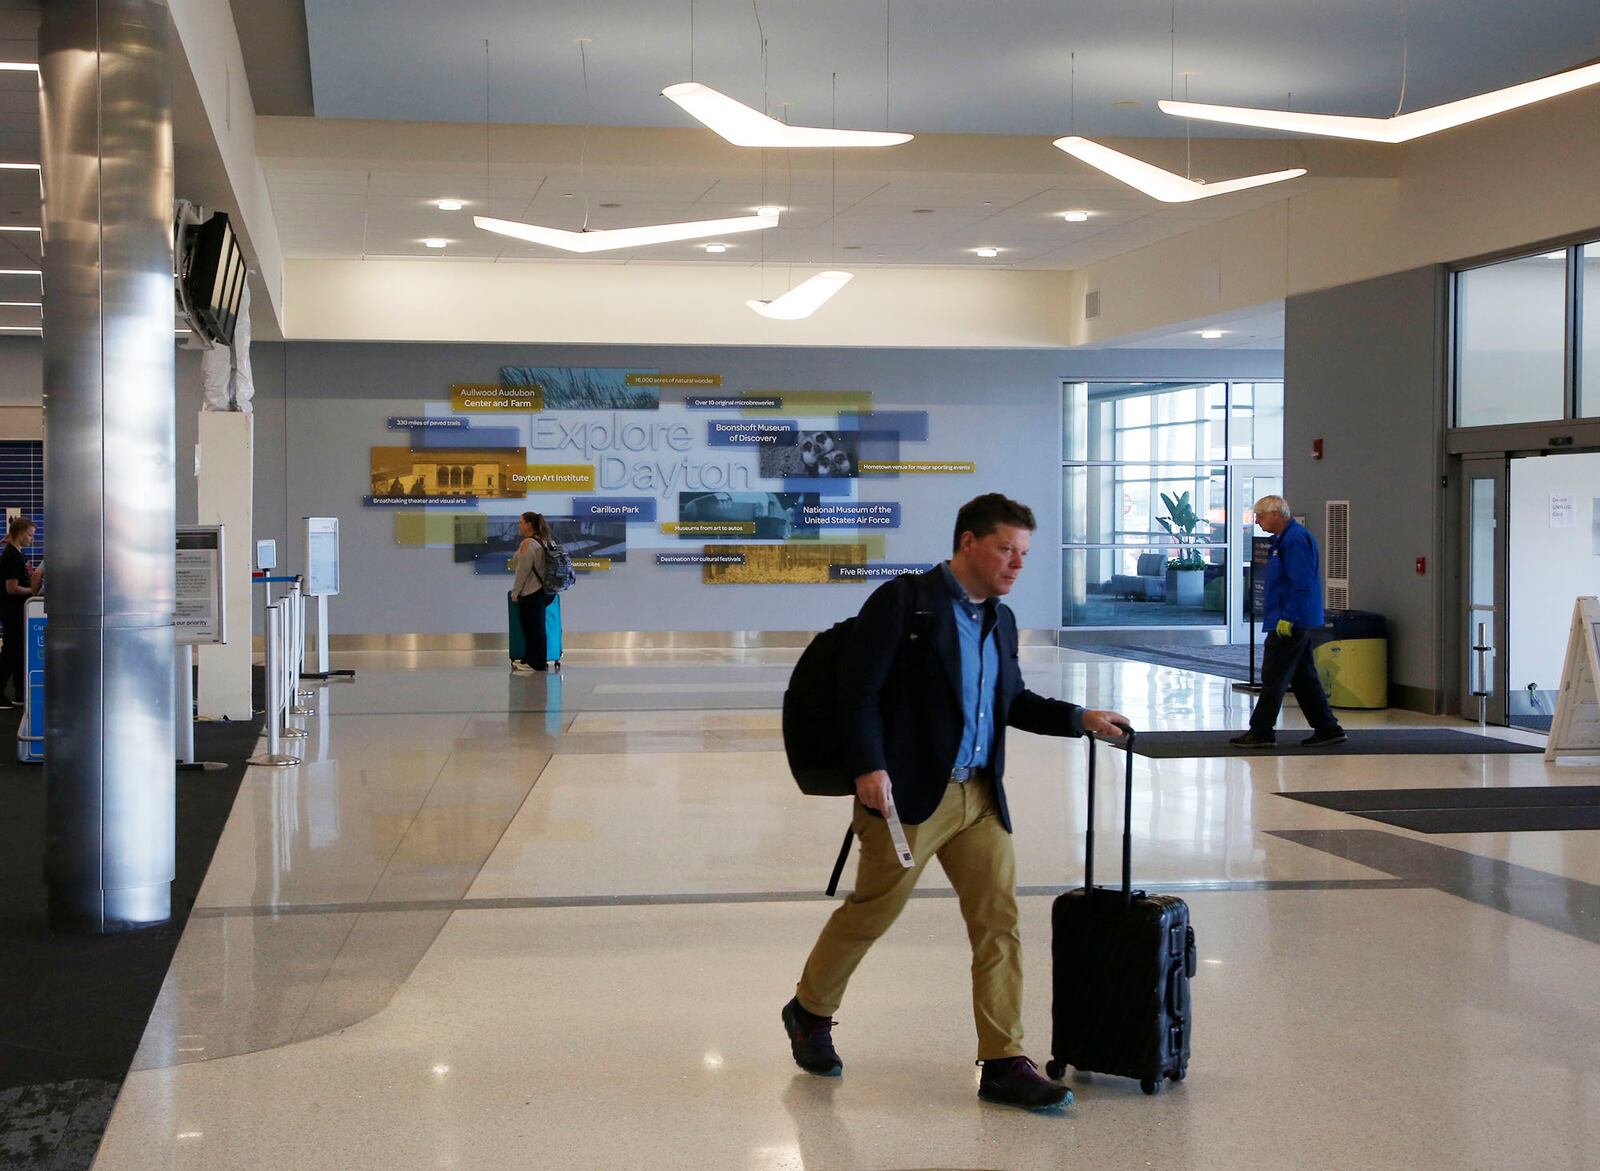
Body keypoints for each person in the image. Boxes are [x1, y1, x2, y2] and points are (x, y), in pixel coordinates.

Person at [780, 493, 1129, 1112]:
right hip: (910, 796)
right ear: (967, 542)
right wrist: (868, 766)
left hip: (980, 795)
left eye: (1023, 553)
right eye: (1005, 549)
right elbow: (858, 691)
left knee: (999, 923)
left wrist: (1081, 717)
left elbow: (1013, 701)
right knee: (872, 912)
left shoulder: (1001, 619)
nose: (1016, 564)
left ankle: (1003, 1060)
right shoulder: (904, 602)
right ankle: (810, 1009)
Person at [1230, 495, 1346, 748]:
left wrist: (1288, 617)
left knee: (1273, 676)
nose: (1257, 521)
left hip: (1291, 620)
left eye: (1260, 516)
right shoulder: (1284, 540)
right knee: (1304, 677)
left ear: (1276, 514)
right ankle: (1328, 728)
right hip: (1291, 617)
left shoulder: (1294, 540)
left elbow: (1302, 584)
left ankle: (1261, 730)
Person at [0, 516, 42, 709]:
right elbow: (12, 588)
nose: (32, 539)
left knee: (18, 652)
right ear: (19, 533)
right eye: (30, 534)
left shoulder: (18, 554)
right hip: (12, 611)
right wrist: (33, 592)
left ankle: (19, 693)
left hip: (17, 610)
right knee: (10, 652)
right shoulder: (11, 556)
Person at [509, 511, 553, 673]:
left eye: (520, 522)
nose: (519, 525)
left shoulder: (528, 543)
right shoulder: (543, 540)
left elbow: (523, 570)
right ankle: (530, 659)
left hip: (531, 592)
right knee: (535, 627)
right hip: (544, 591)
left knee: (533, 629)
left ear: (528, 524)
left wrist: (515, 592)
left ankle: (536, 663)